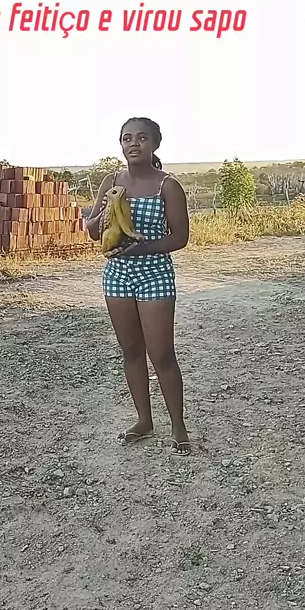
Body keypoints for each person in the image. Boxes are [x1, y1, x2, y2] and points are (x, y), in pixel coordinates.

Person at [86, 117, 191, 455]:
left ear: (155, 144)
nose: (133, 144)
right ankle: (144, 421)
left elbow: (180, 237)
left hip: (154, 274)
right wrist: (101, 214)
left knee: (162, 354)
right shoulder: (112, 182)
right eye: (127, 138)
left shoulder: (168, 186)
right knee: (131, 351)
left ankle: (178, 426)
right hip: (117, 275)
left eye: (142, 138)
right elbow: (93, 231)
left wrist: (140, 248)